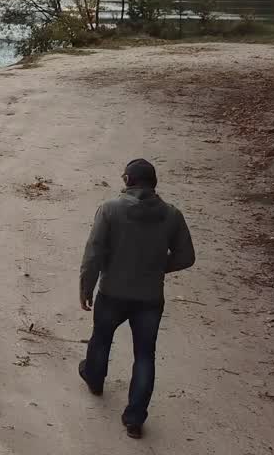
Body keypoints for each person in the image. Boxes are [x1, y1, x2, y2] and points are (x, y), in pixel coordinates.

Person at [77, 158, 196, 439]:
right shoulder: (172, 215)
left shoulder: (109, 210)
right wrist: (156, 266)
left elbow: (93, 254)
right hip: (150, 298)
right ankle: (134, 419)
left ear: (128, 180)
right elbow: (186, 257)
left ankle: (94, 379)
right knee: (144, 355)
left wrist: (85, 288)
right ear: (153, 183)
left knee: (101, 337)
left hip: (112, 292)